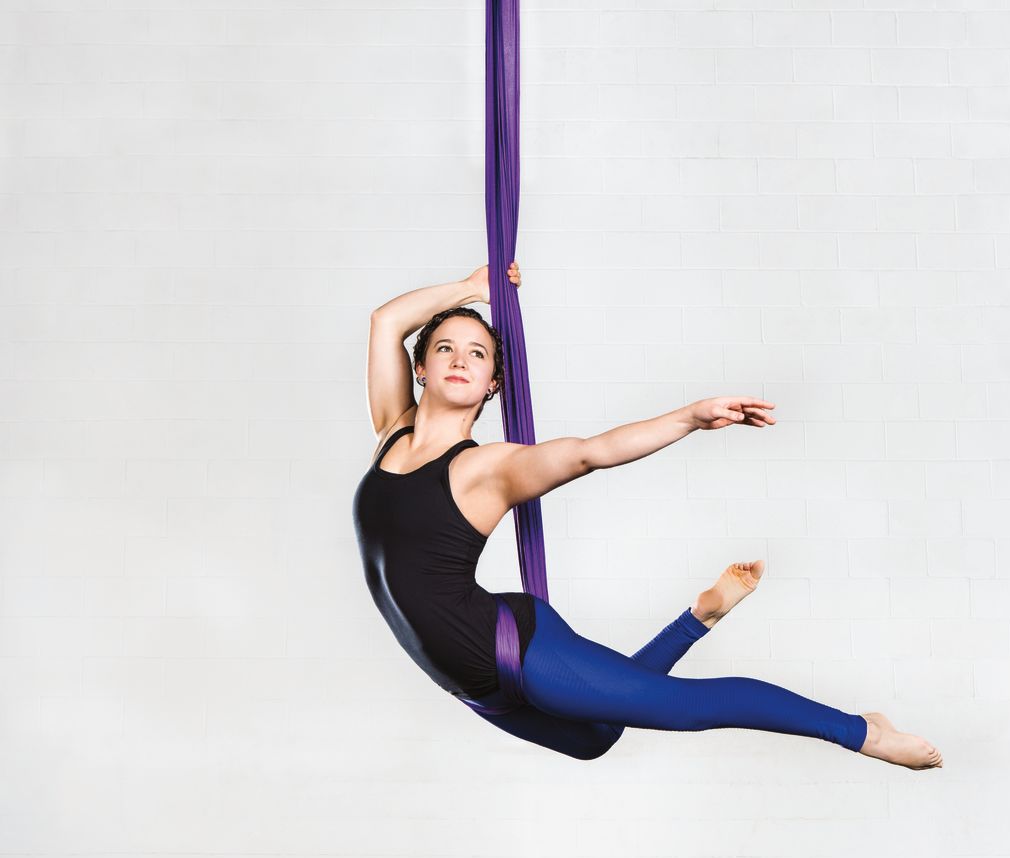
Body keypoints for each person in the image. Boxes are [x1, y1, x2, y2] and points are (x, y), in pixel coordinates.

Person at [353, 262, 944, 771]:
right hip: (469, 680)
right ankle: (699, 617)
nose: (461, 359)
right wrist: (470, 287)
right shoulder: (391, 430)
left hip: (510, 648)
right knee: (594, 741)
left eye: (477, 353)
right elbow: (386, 322)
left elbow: (592, 452)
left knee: (685, 708)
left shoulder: (490, 469)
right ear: (421, 367)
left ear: (493, 384)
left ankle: (863, 731)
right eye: (445, 348)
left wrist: (689, 417)